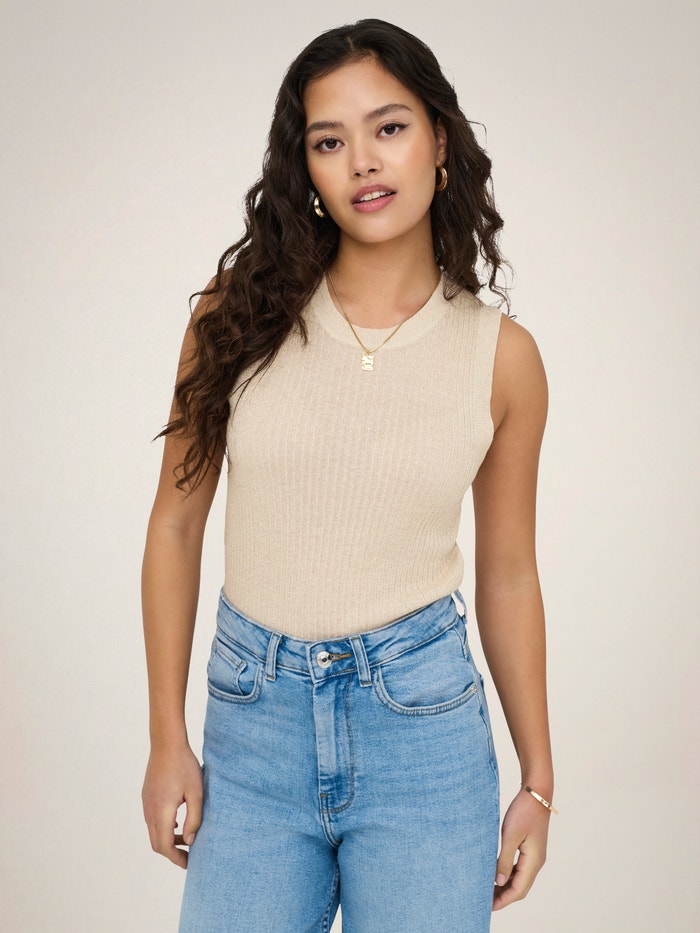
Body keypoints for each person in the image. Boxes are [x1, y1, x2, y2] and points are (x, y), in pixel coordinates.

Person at [141, 18, 555, 933]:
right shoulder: (234, 318)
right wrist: (168, 737)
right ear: (307, 170)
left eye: (389, 127)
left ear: (440, 140)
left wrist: (538, 779)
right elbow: (173, 525)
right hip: (252, 731)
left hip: (423, 733)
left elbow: (509, 573)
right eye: (329, 141)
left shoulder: (502, 358)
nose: (363, 160)